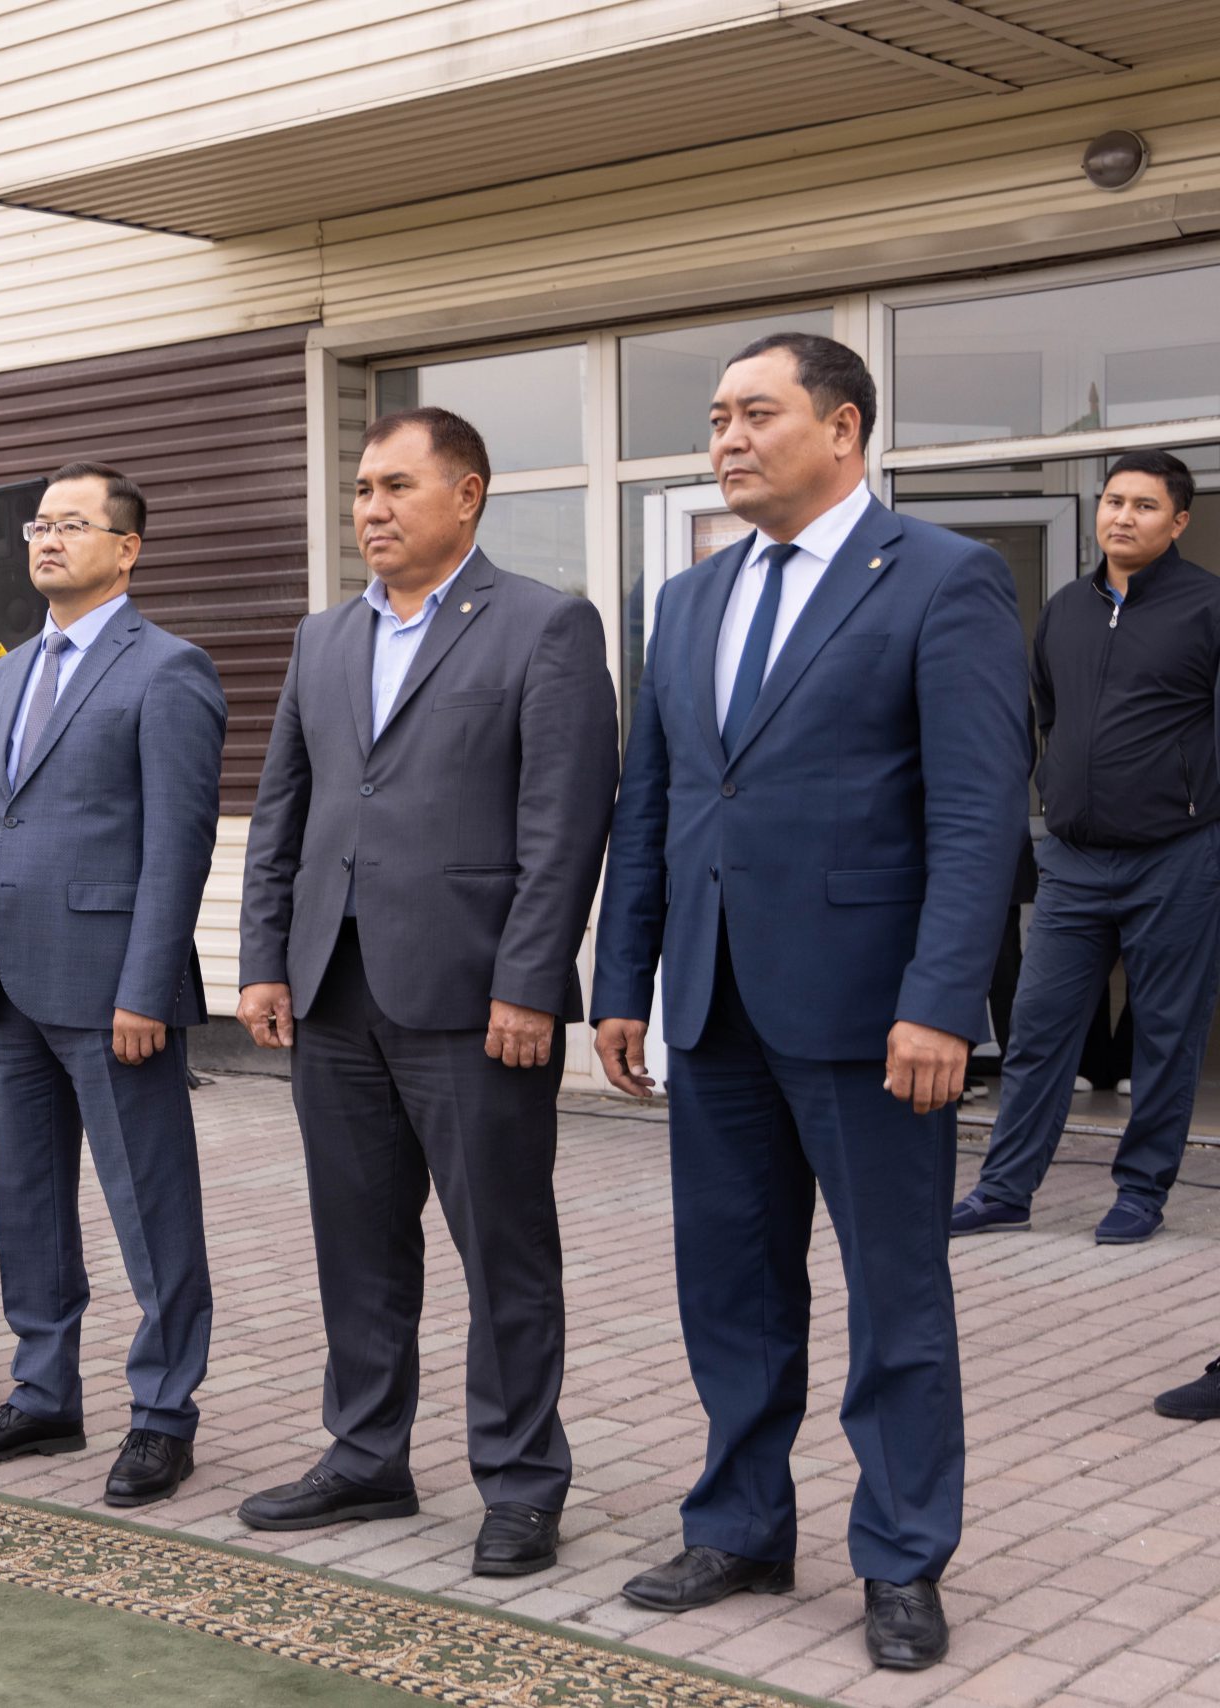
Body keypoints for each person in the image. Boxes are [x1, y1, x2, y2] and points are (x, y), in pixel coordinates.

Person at [592, 333, 1028, 1671]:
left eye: (755, 413)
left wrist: (942, 1001)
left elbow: (977, 814)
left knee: (895, 1295)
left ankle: (901, 1555)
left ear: (843, 429)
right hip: (713, 1000)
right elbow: (655, 802)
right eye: (716, 416)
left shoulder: (943, 578)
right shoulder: (689, 599)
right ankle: (738, 1524)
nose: (726, 438)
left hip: (871, 1011)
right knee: (729, 1283)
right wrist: (622, 979)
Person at [233, 406, 618, 1575]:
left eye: (397, 486)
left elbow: (563, 824)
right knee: (355, 1240)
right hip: (333, 989)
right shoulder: (323, 639)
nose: (372, 509)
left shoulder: (544, 626)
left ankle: (521, 1481)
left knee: (502, 1248)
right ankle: (365, 1455)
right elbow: (282, 812)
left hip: (472, 996)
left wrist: (529, 981)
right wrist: (261, 958)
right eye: (362, 489)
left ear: (468, 494)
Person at [0, 462, 225, 1510]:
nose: (47, 539)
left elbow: (178, 848)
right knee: (27, 1204)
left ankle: (163, 1413)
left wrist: (148, 986)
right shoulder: (6, 675)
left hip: (113, 993)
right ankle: (43, 1389)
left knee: (150, 1205)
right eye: (38, 526)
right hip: (9, 985)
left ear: (127, 548)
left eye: (72, 524)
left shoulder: (169, 670)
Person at [952, 451, 1220, 1245]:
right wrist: (1056, 787)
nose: (1122, 517)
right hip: (1074, 862)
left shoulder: (1208, 607)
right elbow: (1047, 714)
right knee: (1038, 1032)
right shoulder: (1065, 609)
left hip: (1176, 856)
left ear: (1179, 521)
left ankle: (1141, 1191)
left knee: (1166, 1036)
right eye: (1114, 501)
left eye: (1144, 505)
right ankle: (1005, 1189)